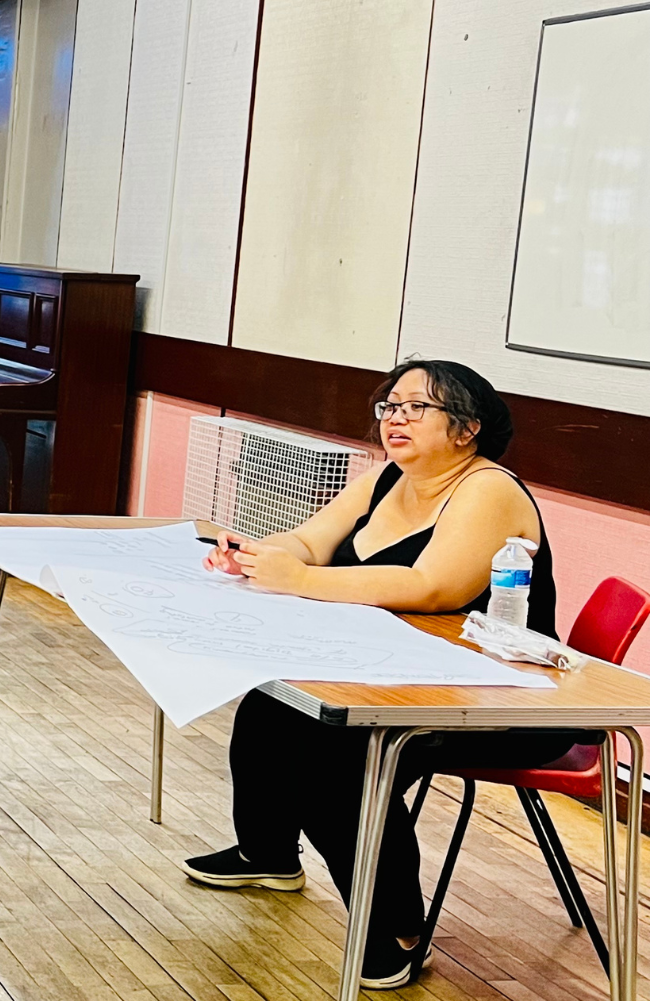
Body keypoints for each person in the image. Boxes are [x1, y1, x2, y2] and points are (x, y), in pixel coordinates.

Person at [181, 358, 583, 990]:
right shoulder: (388, 478)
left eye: (416, 407)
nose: (395, 418)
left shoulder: (489, 488)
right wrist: (258, 554)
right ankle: (268, 853)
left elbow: (431, 586)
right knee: (272, 702)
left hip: (497, 697)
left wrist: (305, 582)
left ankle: (398, 932)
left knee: (341, 754)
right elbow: (311, 543)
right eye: (389, 406)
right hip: (399, 672)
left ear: (465, 428)